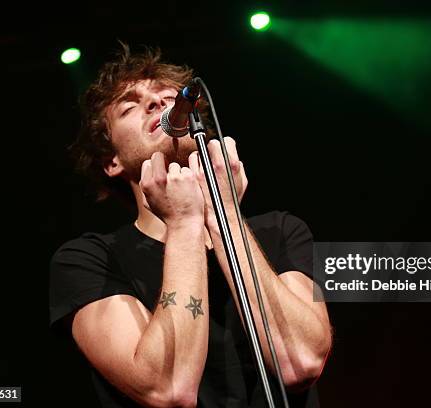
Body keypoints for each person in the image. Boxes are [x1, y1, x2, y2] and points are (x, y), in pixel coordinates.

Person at [49, 44, 332, 408]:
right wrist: (184, 224)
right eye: (131, 106)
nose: (157, 104)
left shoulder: (279, 231)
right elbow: (169, 389)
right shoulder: (91, 260)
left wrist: (224, 215)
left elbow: (300, 363)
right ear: (111, 162)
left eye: (168, 96)